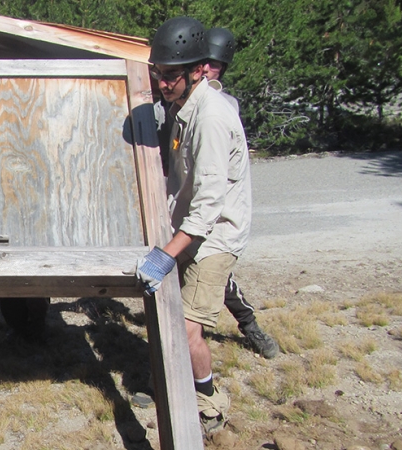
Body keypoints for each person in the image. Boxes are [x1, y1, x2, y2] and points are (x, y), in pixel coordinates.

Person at [130, 16, 252, 436]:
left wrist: (165, 252)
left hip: (215, 235)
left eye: (171, 76)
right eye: (158, 74)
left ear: (199, 69)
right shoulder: (184, 105)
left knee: (185, 327)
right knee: (169, 314)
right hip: (189, 228)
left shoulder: (213, 117)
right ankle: (172, 382)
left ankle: (208, 399)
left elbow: (208, 206)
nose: (162, 84)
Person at [201, 27, 279, 359]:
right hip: (175, 198)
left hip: (210, 207)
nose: (207, 69)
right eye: (203, 62)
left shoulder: (223, 105)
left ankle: (249, 326)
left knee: (217, 273)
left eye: (214, 65)